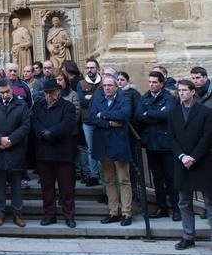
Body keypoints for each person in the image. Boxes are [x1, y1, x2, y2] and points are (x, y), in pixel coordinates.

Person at [168, 79, 212, 250]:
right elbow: (171, 137)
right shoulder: (173, 113)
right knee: (184, 201)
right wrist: (182, 156)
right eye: (179, 90)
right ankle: (188, 236)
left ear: (193, 92)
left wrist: (193, 157)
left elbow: (208, 137)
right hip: (181, 162)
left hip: (202, 161)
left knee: (209, 201)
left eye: (185, 90)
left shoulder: (205, 112)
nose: (181, 93)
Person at [32, 77, 78, 227]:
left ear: (58, 92)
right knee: (47, 188)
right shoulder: (39, 106)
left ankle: (69, 216)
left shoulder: (68, 106)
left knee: (66, 188)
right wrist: (42, 133)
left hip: (63, 153)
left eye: (51, 92)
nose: (48, 95)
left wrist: (51, 132)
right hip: (44, 153)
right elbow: (34, 122)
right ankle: (49, 215)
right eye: (46, 93)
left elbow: (68, 124)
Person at [88, 75, 132, 226]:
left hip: (119, 143)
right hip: (103, 143)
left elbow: (125, 115)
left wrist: (104, 115)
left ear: (116, 87)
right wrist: (110, 124)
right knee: (108, 179)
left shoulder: (124, 99)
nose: (107, 88)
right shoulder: (97, 99)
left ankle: (126, 212)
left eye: (110, 85)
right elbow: (92, 117)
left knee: (124, 179)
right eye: (105, 86)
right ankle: (113, 211)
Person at [0, 79, 30, 228]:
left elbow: (25, 126)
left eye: (7, 92)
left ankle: (18, 214)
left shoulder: (21, 105)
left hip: (15, 149)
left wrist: (10, 140)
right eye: (2, 92)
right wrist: (0, 138)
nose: (5, 95)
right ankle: (0, 213)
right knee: (0, 185)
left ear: (12, 90)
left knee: (17, 185)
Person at [136, 71, 179, 220]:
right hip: (151, 144)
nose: (152, 85)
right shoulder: (145, 97)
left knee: (171, 178)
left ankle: (176, 208)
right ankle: (162, 208)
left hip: (165, 144)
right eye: (150, 82)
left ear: (161, 83)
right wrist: (155, 115)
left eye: (155, 82)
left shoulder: (168, 97)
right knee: (157, 178)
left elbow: (168, 114)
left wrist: (149, 114)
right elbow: (139, 116)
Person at [76, 58, 102, 186]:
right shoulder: (81, 84)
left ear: (97, 68)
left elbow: (103, 100)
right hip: (87, 121)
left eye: (92, 67)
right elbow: (82, 101)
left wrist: (91, 98)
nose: (90, 70)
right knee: (91, 149)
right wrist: (96, 98)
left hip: (102, 121)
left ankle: (103, 177)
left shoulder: (103, 82)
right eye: (88, 68)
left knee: (103, 149)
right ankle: (94, 175)